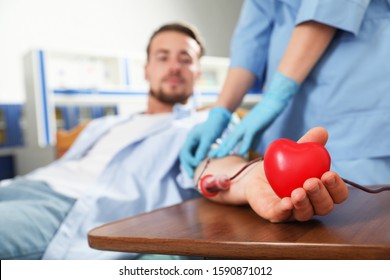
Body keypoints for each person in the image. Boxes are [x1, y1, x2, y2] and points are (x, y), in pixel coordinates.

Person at [0, 22, 207, 260]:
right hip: (24, 184)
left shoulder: (201, 125)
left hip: (67, 206)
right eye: (163, 57)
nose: (174, 67)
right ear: (147, 70)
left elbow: (219, 167)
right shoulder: (107, 123)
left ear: (198, 72)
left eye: (185, 59)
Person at [180, 0, 390, 186]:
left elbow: (327, 9)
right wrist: (221, 110)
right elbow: (251, 41)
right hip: (287, 120)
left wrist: (276, 96)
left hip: (351, 115)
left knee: (356, 217)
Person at [193, 126, 348, 223]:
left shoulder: (216, 124)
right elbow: (203, 168)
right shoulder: (201, 126)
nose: (176, 70)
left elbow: (214, 163)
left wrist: (249, 177)